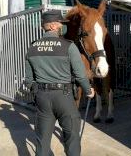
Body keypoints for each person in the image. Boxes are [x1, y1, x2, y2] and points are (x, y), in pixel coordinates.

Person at [25, 10, 95, 156]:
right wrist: (88, 91)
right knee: (72, 138)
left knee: (42, 141)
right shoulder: (68, 46)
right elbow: (80, 75)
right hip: (64, 97)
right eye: (60, 24)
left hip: (42, 97)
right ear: (52, 26)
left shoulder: (32, 48)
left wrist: (38, 92)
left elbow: (28, 80)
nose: (62, 26)